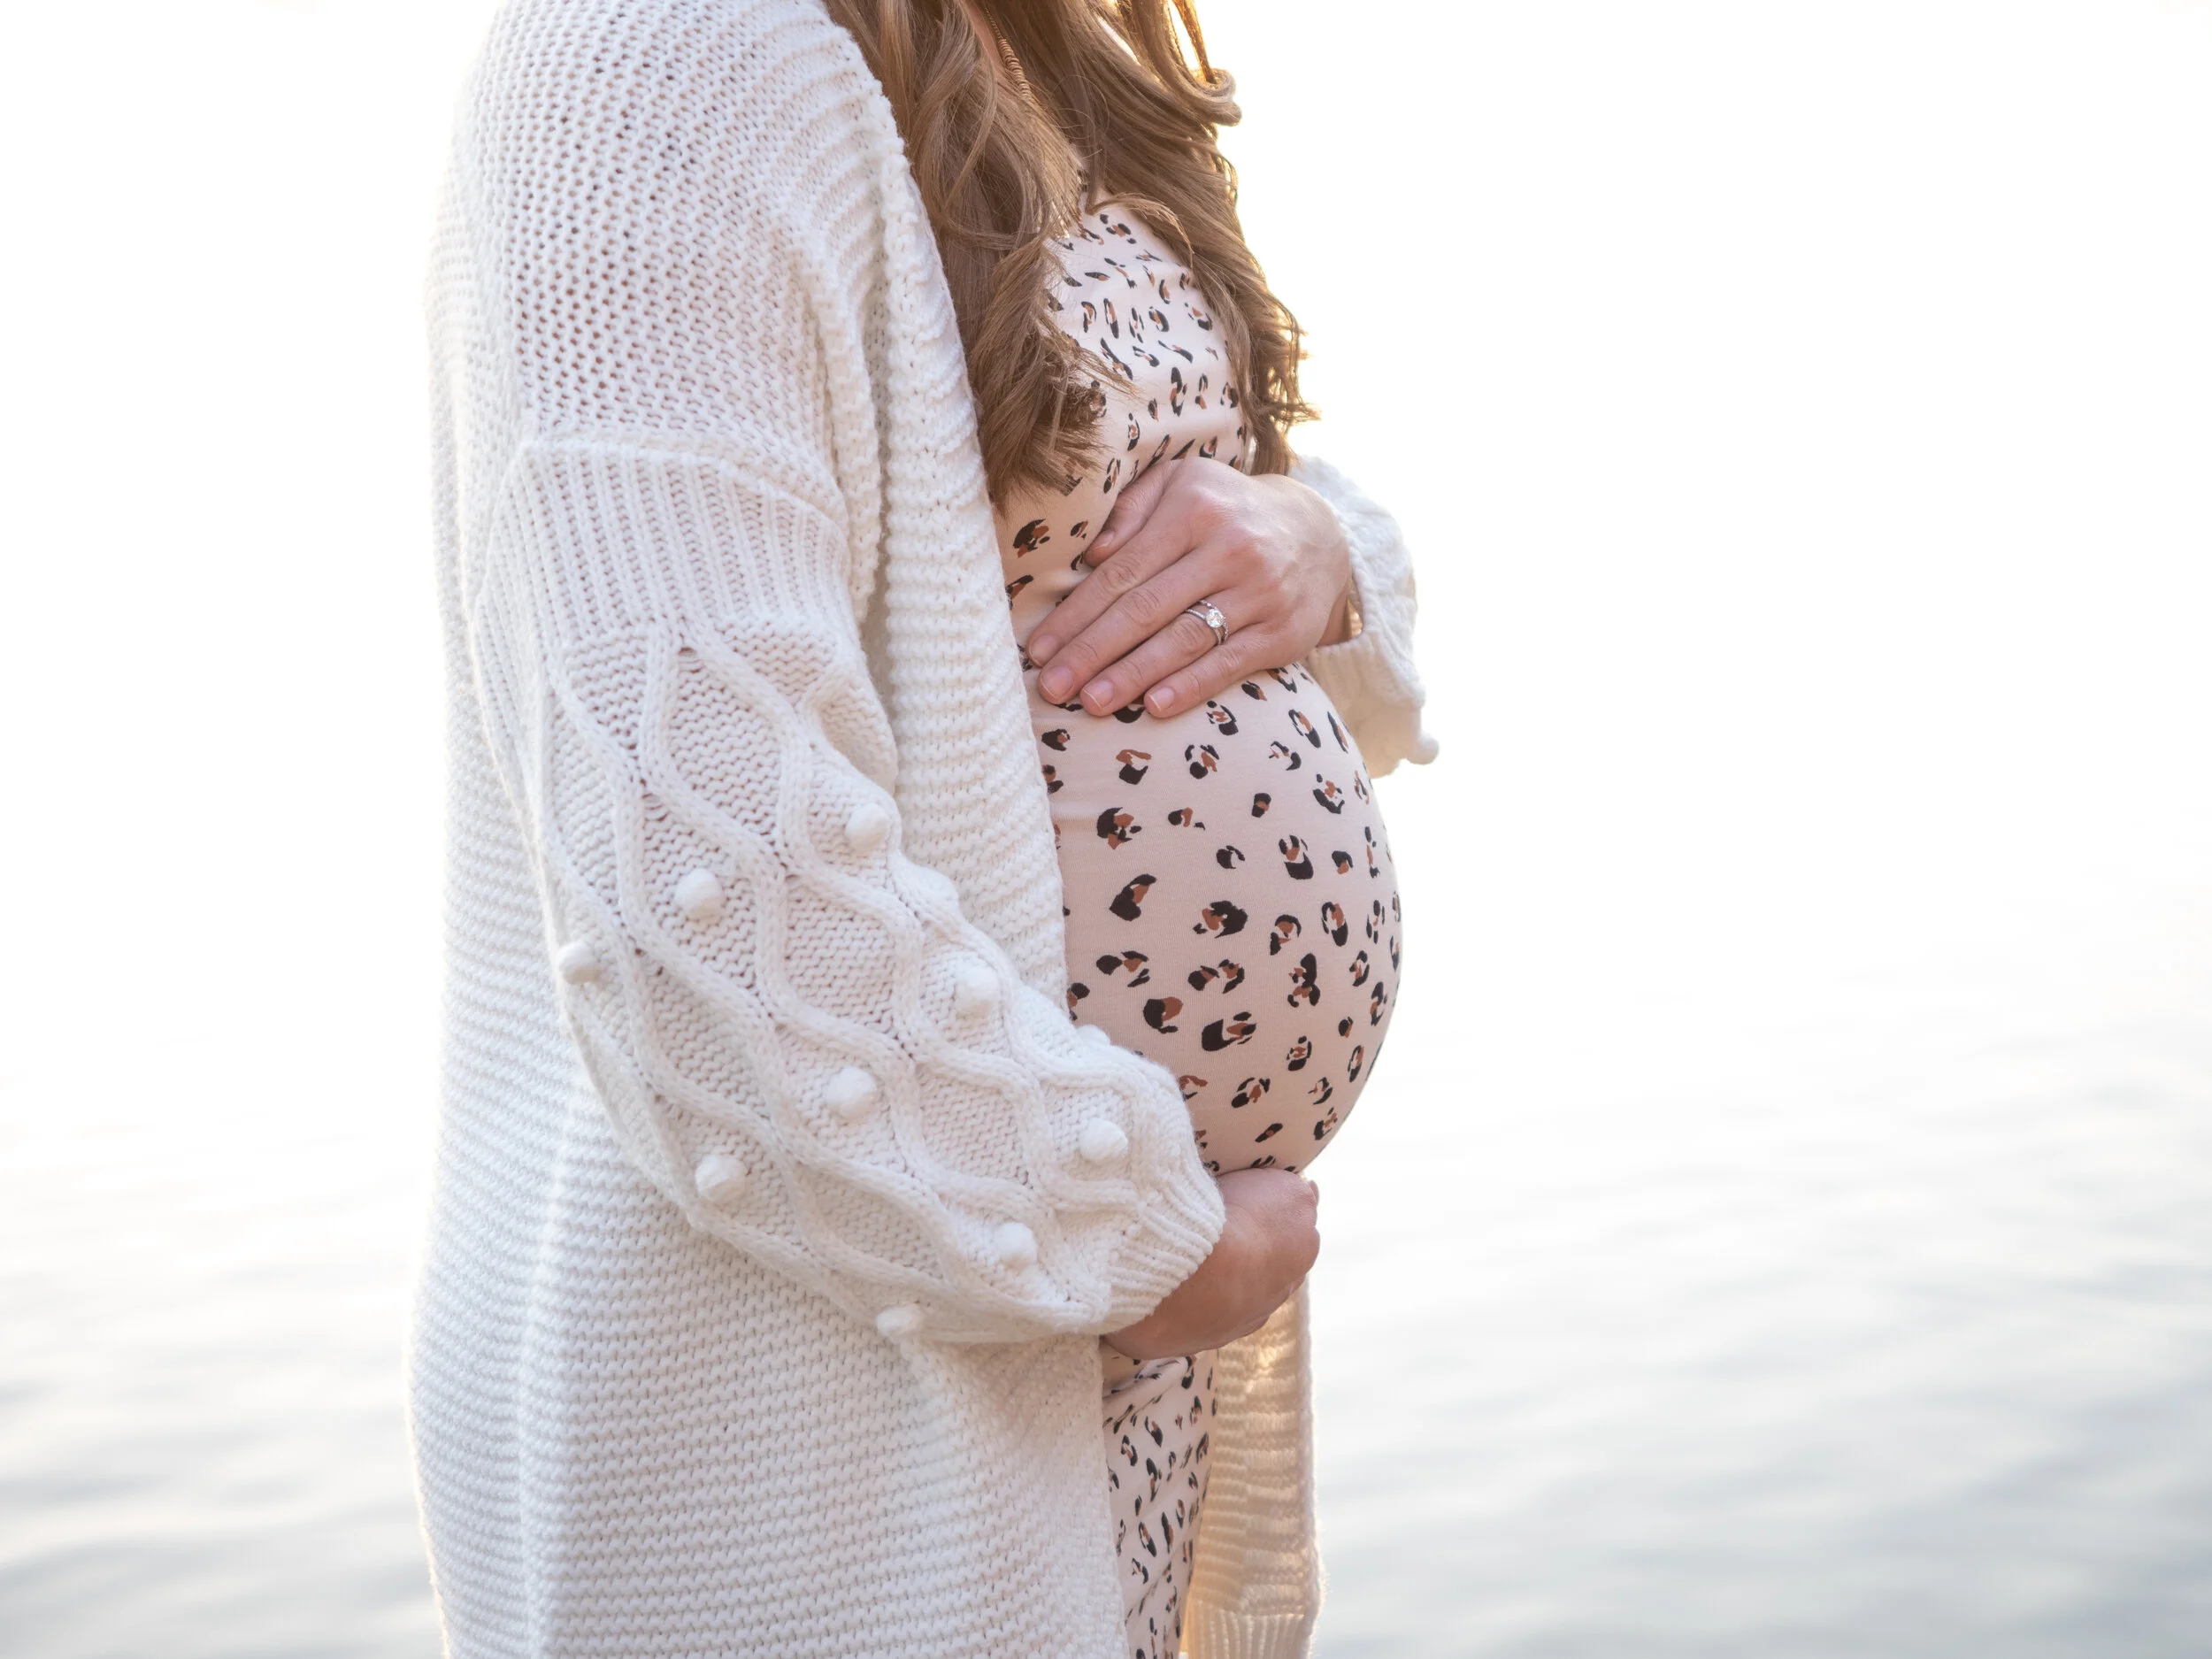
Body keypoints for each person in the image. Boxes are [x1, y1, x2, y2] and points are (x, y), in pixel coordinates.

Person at [413, 2, 1432, 1655]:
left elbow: (1143, 467)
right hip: (831, 1452)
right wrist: (1141, 1246)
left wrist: (1323, 550)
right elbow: (709, 904)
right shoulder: (649, 68)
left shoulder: (1028, 45)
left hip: (1087, 1372)